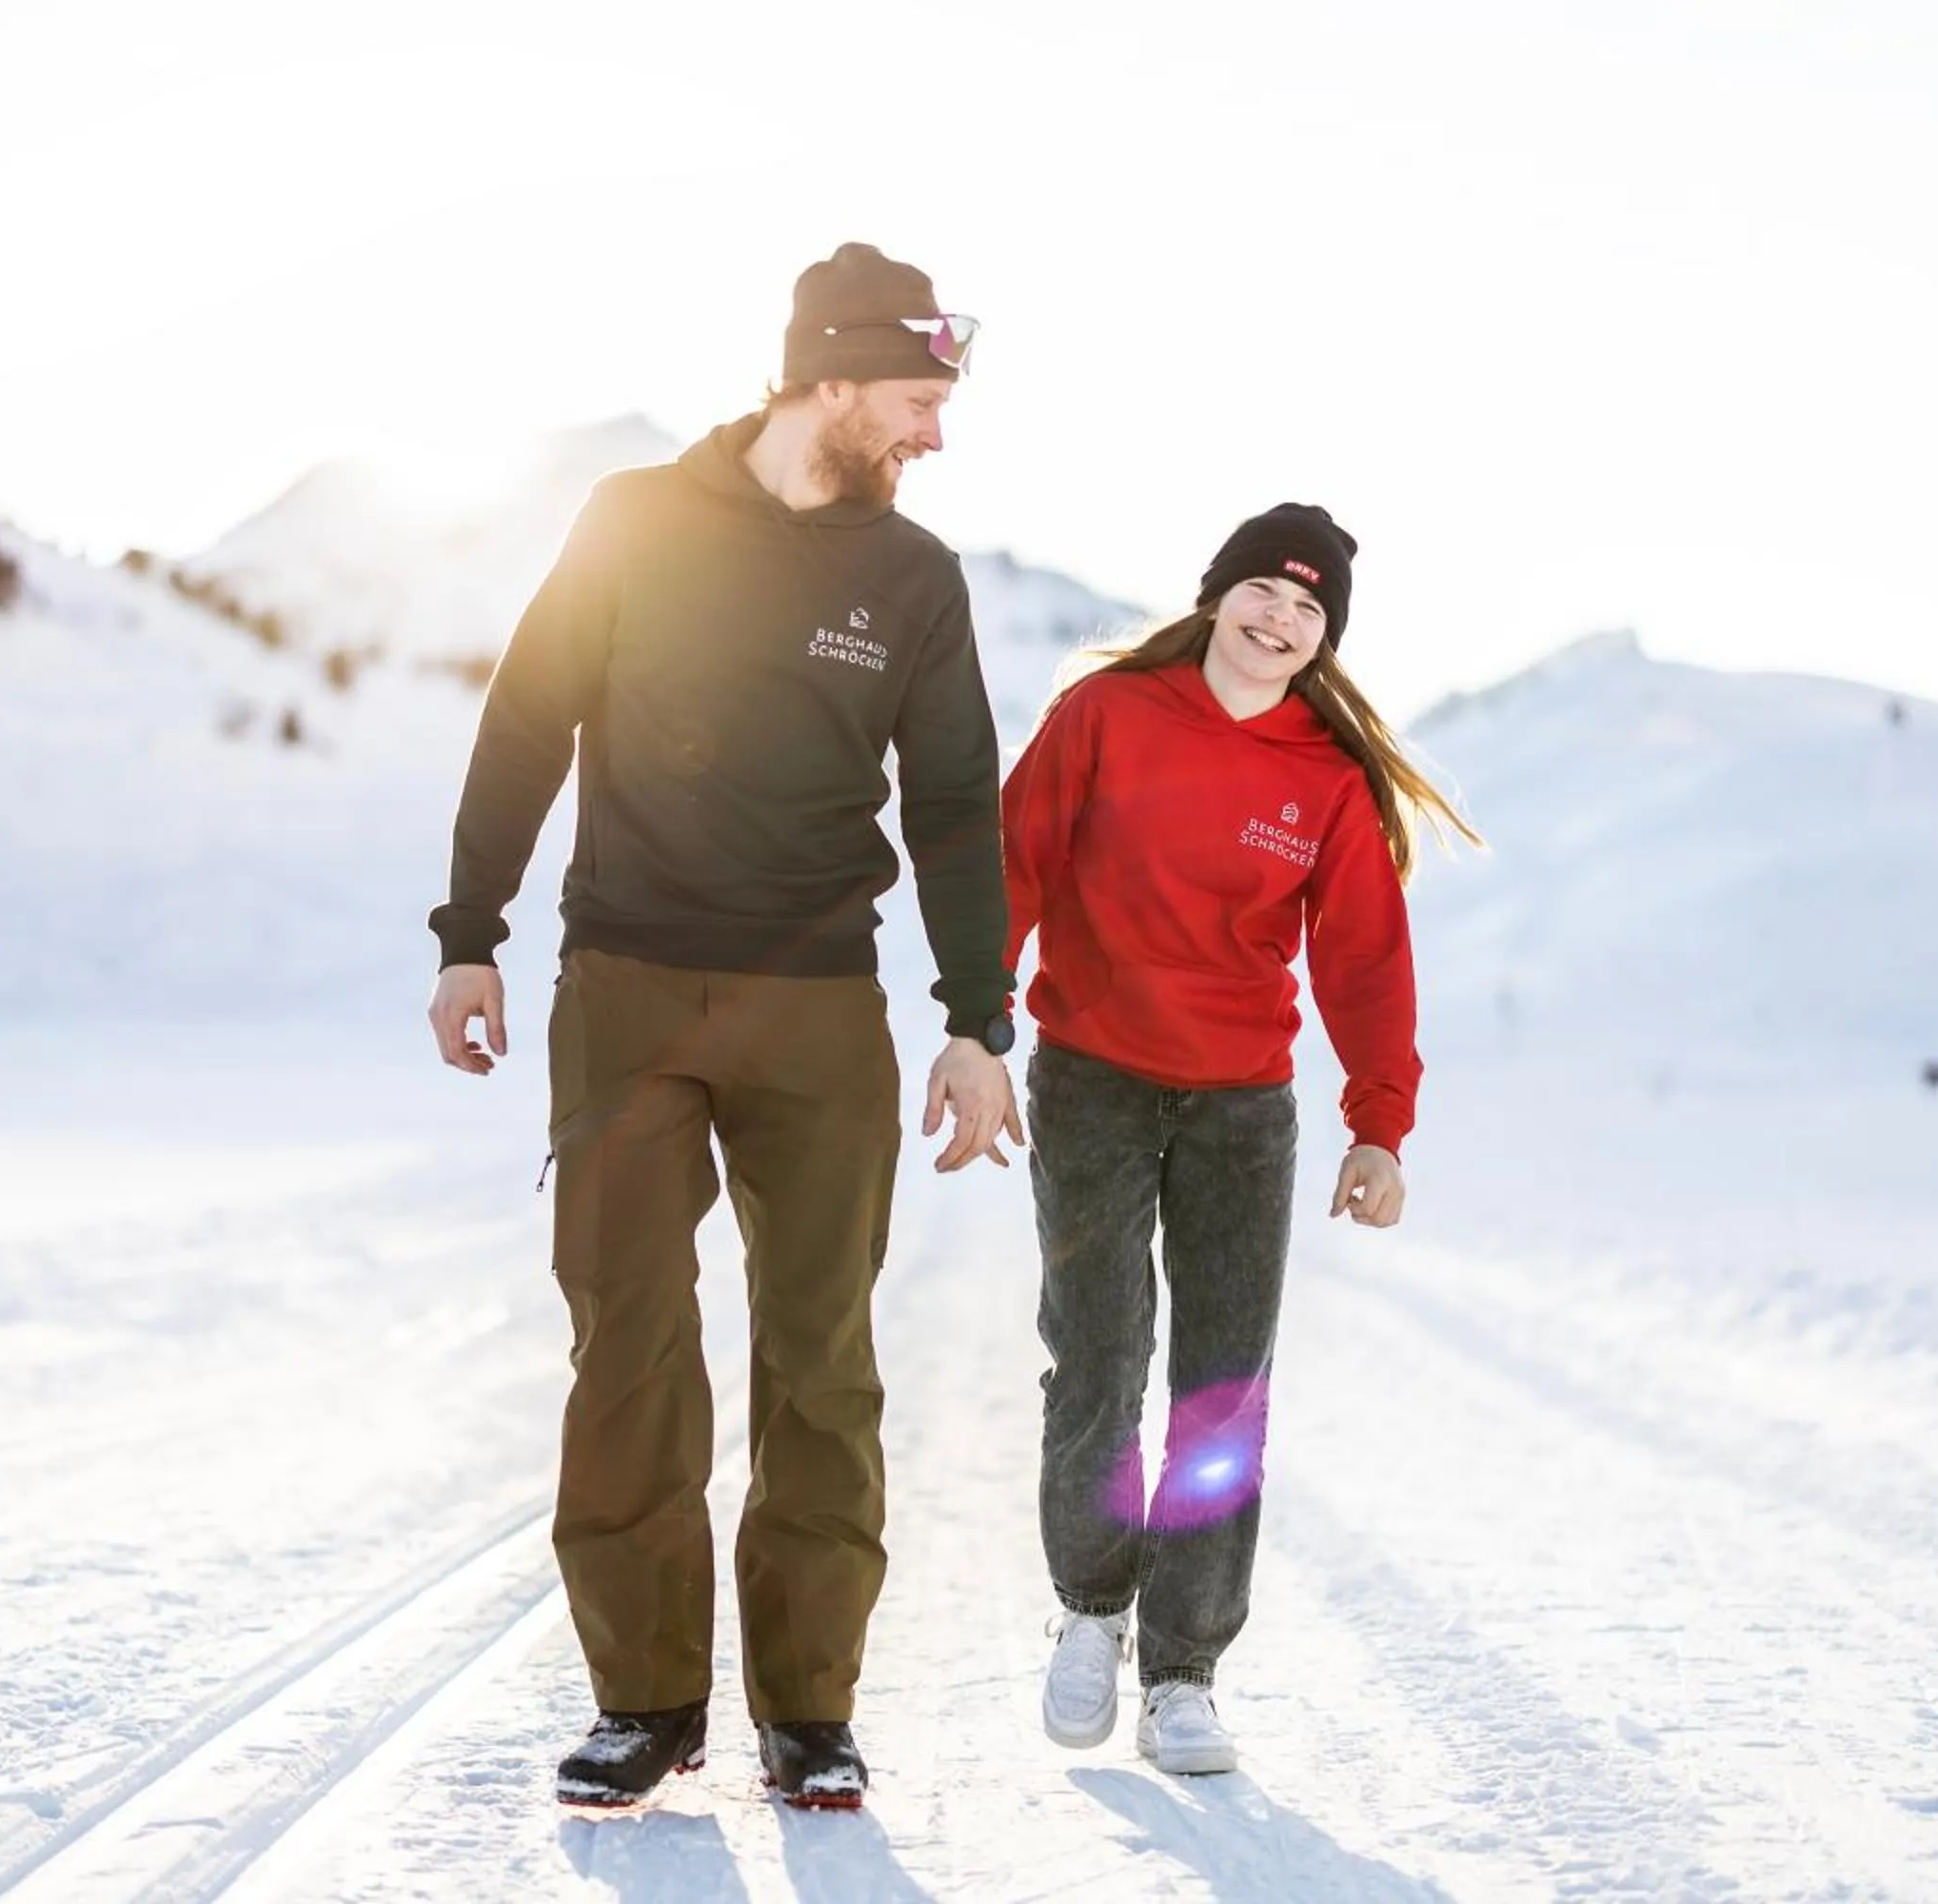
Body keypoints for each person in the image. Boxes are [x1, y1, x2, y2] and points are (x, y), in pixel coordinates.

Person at [425, 243, 1023, 1812]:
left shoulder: (914, 579)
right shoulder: (635, 522)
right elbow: (529, 713)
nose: (932, 438)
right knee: (628, 1345)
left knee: (821, 1359)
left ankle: (809, 1711)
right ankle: (644, 1703)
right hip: (623, 991)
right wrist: (470, 934)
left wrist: (978, 1020)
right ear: (825, 380)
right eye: (913, 402)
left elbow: (958, 805)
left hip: (822, 1006)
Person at [1000, 503, 1478, 1775]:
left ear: (1325, 640)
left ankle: (1185, 1673)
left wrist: (1379, 1126)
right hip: (1092, 1083)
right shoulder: (1105, 716)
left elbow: (1368, 962)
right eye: (1266, 590)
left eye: (1310, 609)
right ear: (1219, 594)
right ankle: (1092, 1611)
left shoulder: (1324, 775)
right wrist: (974, 1027)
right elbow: (1016, 865)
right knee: (1097, 1361)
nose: (1282, 619)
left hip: (1239, 1113)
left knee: (1221, 1387)